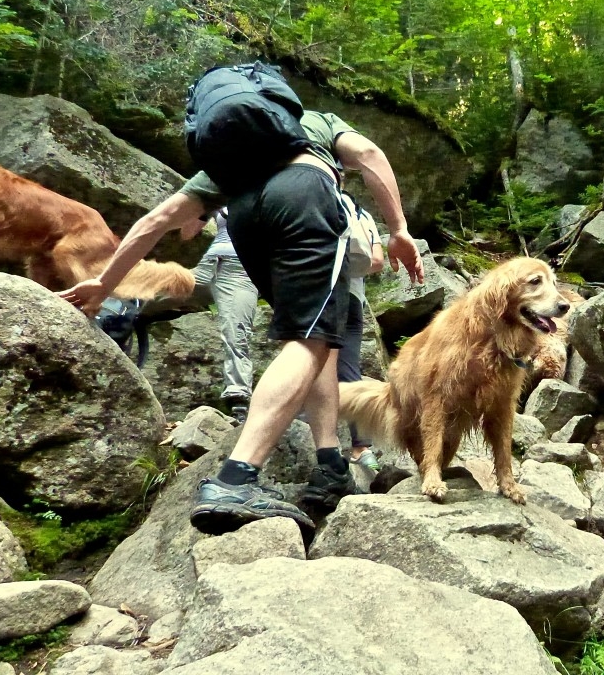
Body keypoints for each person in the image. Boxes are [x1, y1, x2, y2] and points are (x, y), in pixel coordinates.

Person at [59, 107, 424, 537]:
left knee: (316, 337)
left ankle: (330, 466)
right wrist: (398, 228)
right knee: (309, 343)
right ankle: (236, 478)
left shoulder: (233, 154)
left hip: (246, 219)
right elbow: (367, 152)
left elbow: (156, 221)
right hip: (305, 194)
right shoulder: (316, 122)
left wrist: (105, 283)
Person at [180, 208, 259, 424]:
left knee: (236, 332)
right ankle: (115, 320)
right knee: (149, 293)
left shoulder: (278, 190)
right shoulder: (224, 192)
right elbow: (186, 234)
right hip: (208, 265)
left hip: (241, 270)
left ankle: (238, 401)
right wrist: (204, 209)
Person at [336, 182, 385, 471]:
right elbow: (377, 261)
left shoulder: (316, 199)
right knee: (348, 368)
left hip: (321, 290)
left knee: (308, 364)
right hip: (354, 297)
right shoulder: (363, 215)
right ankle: (362, 446)